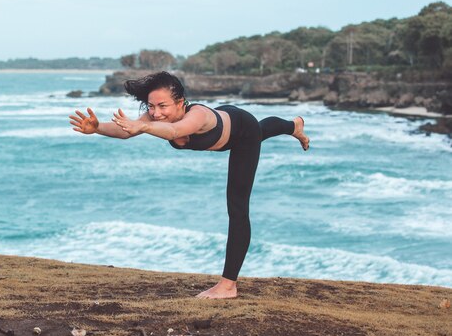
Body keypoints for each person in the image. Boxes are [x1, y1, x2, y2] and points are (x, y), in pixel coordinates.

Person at [68, 71, 309, 299]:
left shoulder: (198, 115)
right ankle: (294, 125)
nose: (156, 113)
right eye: (151, 106)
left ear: (181, 103)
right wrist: (97, 128)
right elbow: (126, 132)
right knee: (264, 128)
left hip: (242, 132)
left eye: (163, 106)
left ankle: (228, 285)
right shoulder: (153, 117)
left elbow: (175, 130)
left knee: (237, 206)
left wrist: (143, 125)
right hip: (229, 121)